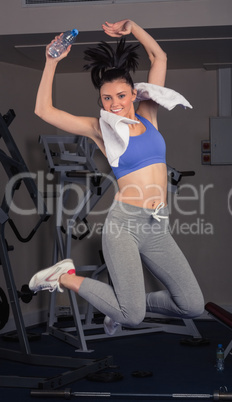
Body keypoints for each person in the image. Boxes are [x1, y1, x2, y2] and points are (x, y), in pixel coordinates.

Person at [29, 19, 204, 336]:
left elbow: (159, 57)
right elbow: (44, 110)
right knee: (133, 316)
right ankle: (64, 276)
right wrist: (50, 62)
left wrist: (133, 27)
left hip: (157, 225)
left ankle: (122, 305)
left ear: (133, 94)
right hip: (124, 223)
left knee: (192, 305)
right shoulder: (101, 129)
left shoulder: (149, 113)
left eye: (121, 95)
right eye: (107, 99)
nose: (115, 104)